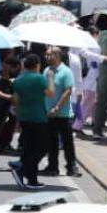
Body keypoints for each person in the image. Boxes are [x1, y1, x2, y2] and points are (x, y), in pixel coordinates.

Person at [10, 53, 53, 190]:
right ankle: (23, 169)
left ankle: (32, 179)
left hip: (24, 118)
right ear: (37, 65)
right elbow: (51, 93)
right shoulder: (40, 79)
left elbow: (16, 101)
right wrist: (50, 78)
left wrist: (18, 119)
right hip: (39, 118)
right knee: (42, 148)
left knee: (29, 148)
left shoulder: (18, 80)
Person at [43, 47, 77, 177]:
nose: (47, 57)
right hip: (48, 113)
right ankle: (52, 166)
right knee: (51, 142)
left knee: (67, 142)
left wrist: (57, 107)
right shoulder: (46, 70)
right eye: (46, 55)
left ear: (57, 55)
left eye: (49, 55)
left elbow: (68, 91)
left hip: (62, 113)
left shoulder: (66, 71)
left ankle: (71, 166)